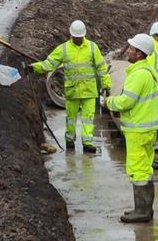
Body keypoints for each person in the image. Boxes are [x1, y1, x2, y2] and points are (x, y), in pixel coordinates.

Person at [29, 20, 110, 152]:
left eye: (80, 37)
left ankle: (87, 142)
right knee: (71, 119)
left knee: (88, 118)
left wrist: (106, 83)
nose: (78, 39)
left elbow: (101, 67)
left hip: (89, 90)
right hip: (72, 91)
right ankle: (70, 140)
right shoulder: (64, 49)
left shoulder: (92, 47)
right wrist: (34, 68)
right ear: (71, 35)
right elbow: (49, 64)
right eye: (76, 37)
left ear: (83, 36)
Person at [106, 33, 158, 223]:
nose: (128, 51)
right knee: (145, 168)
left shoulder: (139, 75)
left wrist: (109, 101)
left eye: (131, 48)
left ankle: (143, 211)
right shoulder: (143, 71)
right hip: (145, 129)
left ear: (139, 54)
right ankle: (144, 209)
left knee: (138, 170)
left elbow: (127, 101)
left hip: (139, 131)